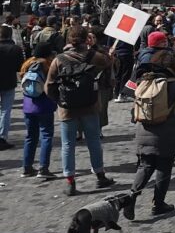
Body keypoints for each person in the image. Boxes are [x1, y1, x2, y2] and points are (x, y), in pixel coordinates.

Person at [44, 25, 116, 195]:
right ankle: (100, 176)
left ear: (68, 39)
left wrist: (60, 101)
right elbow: (109, 64)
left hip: (67, 109)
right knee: (94, 141)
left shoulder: (59, 59)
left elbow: (49, 86)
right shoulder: (94, 56)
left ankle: (70, 181)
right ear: (86, 39)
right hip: (90, 105)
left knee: (68, 144)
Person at [123, 50, 175, 219]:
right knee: (164, 169)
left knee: (145, 166)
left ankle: (131, 196)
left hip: (143, 130)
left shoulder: (143, 80)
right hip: (166, 131)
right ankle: (158, 204)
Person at [19, 41, 57, 177]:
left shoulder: (27, 64)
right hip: (44, 104)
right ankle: (43, 168)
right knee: (46, 135)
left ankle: (27, 167)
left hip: (28, 105)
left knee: (30, 137)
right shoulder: (47, 65)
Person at [0, 25, 25, 150]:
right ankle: (2, 137)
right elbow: (20, 67)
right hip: (8, 81)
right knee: (5, 110)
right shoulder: (15, 49)